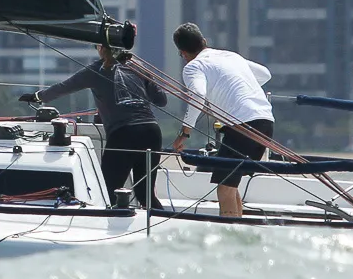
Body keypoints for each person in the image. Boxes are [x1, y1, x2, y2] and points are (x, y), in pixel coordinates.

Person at [20, 44, 168, 209]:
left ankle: (113, 231)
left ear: (101, 48)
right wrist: (145, 80)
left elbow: (64, 87)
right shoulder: (137, 66)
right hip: (152, 132)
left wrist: (37, 96)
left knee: (106, 193)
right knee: (146, 195)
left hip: (124, 135)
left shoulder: (96, 70)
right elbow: (162, 100)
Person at [168, 23, 275, 219]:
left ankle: (229, 235)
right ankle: (238, 227)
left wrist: (184, 133)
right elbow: (265, 74)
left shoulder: (194, 66)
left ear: (183, 53)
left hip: (243, 125)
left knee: (224, 189)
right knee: (230, 185)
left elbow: (198, 96)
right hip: (266, 121)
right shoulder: (231, 56)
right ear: (204, 41)